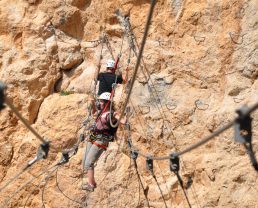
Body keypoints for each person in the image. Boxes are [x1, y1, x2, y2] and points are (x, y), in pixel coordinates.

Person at [82, 92, 126, 192]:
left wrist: (124, 118)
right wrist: (92, 102)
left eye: (101, 101)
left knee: (89, 163)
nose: (99, 103)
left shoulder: (111, 114)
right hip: (93, 136)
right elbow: (93, 112)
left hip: (101, 139)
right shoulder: (101, 112)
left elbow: (122, 120)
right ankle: (92, 182)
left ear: (106, 103)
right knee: (85, 163)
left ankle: (91, 185)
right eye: (99, 101)